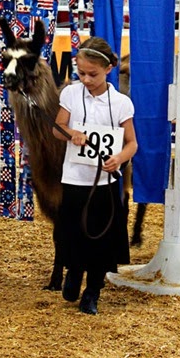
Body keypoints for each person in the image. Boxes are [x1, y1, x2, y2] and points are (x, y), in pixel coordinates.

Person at [52, 37, 138, 315]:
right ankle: (74, 270)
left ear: (108, 69)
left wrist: (119, 159)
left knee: (101, 238)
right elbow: (57, 127)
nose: (86, 79)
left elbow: (132, 144)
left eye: (93, 74)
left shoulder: (121, 103)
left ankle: (93, 291)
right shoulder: (71, 94)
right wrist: (71, 133)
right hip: (74, 178)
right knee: (72, 232)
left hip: (105, 182)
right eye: (81, 73)